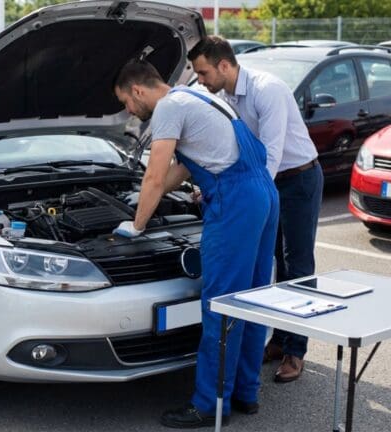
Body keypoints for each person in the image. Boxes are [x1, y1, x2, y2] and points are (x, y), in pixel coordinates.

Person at [113, 59, 278, 428]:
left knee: (222, 304)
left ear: (137, 90)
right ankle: (245, 392)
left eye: (125, 102)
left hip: (235, 202)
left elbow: (155, 175)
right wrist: (148, 196)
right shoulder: (198, 97)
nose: (128, 111)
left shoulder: (167, 109)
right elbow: (185, 167)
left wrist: (137, 224)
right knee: (252, 299)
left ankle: (209, 405)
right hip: (263, 193)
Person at [189, 36, 324, 383]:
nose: (200, 81)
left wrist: (247, 198)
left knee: (297, 266)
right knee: (272, 262)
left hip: (297, 180)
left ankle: (296, 351)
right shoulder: (225, 97)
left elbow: (272, 153)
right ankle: (277, 341)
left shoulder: (268, 90)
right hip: (266, 183)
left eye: (203, 73)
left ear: (224, 65)